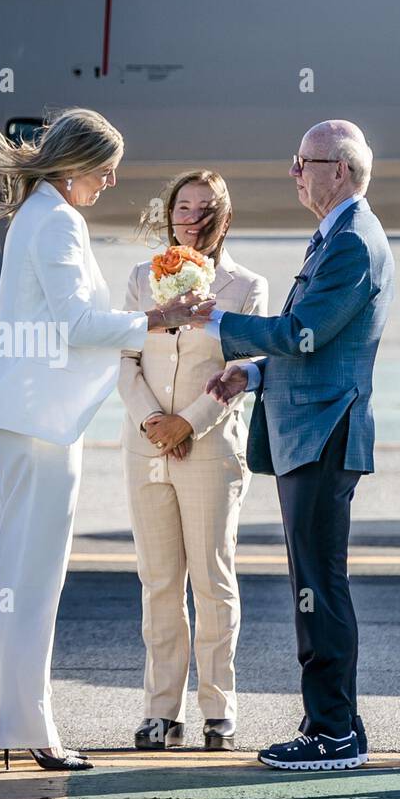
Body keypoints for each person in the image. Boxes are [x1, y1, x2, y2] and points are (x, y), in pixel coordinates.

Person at [0, 108, 213, 771]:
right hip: (42, 425)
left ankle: (14, 722)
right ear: (75, 166)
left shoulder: (36, 215)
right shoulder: (58, 221)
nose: (111, 180)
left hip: (25, 418)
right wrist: (162, 319)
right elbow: (76, 323)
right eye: (105, 169)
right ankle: (35, 731)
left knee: (19, 575)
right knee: (33, 579)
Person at [204, 120, 393, 770]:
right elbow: (313, 343)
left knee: (319, 583)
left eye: (302, 162)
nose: (294, 172)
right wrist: (253, 372)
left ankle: (334, 730)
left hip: (322, 431)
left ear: (338, 169)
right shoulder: (339, 236)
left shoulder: (350, 242)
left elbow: (304, 331)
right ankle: (333, 722)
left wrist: (216, 320)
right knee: (315, 581)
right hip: (309, 427)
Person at [119, 170, 267, 752]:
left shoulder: (245, 285)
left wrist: (190, 421)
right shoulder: (139, 278)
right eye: (183, 206)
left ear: (224, 217)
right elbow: (125, 357)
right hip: (147, 445)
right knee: (158, 582)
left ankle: (218, 708)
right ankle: (161, 711)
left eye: (206, 207)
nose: (193, 216)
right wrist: (154, 421)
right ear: (169, 213)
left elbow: (244, 368)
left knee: (211, 578)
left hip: (210, 446)